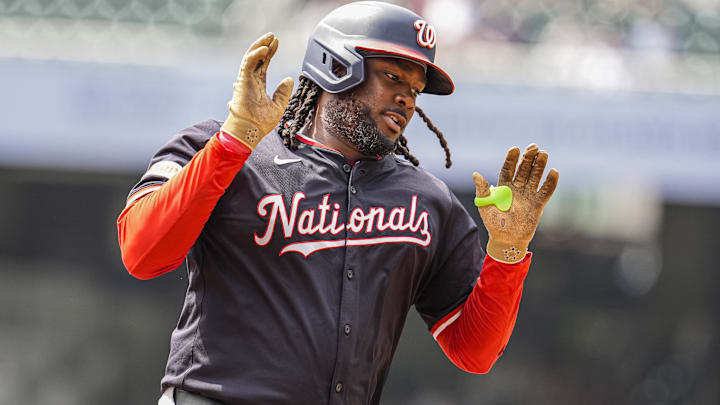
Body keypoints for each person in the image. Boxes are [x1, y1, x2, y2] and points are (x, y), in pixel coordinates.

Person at [116, 2, 559, 404]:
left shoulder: (428, 201)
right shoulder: (219, 146)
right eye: (392, 77)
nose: (407, 98)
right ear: (335, 66)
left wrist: (507, 250)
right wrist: (234, 140)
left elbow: (473, 351)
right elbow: (143, 253)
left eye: (416, 88)